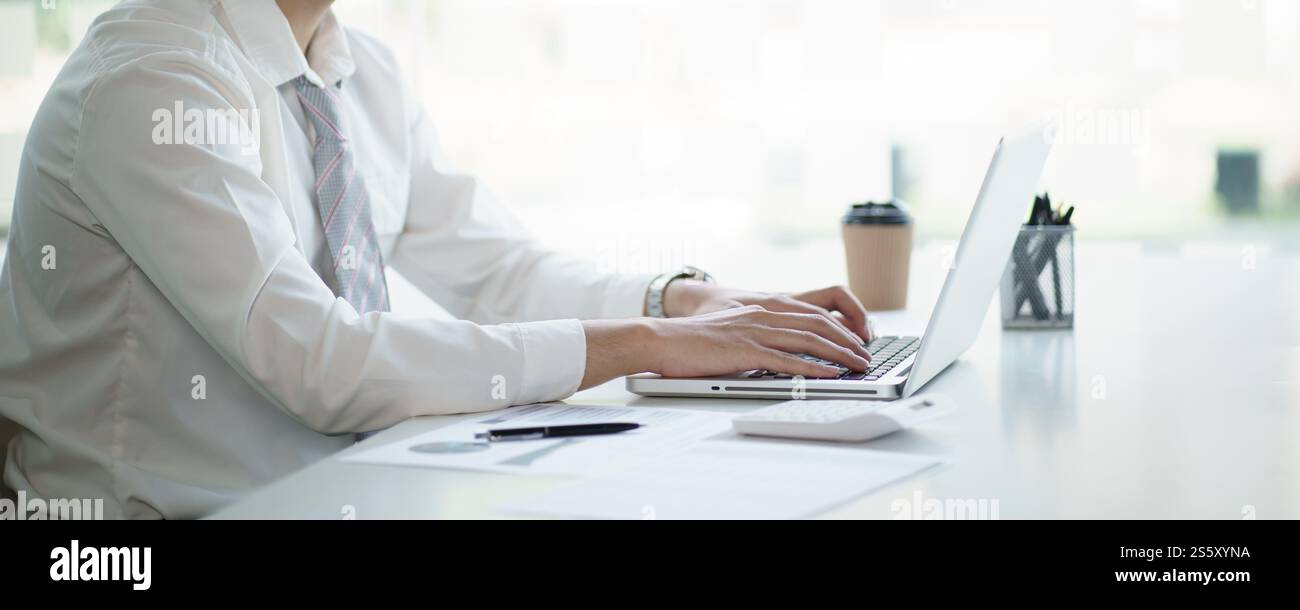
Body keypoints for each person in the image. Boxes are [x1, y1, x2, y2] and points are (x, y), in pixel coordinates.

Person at [0, 0, 872, 519]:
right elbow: (320, 359)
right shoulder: (154, 79)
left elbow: (495, 270)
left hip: (333, 492)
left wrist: (678, 301)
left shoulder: (358, 70)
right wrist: (645, 343)